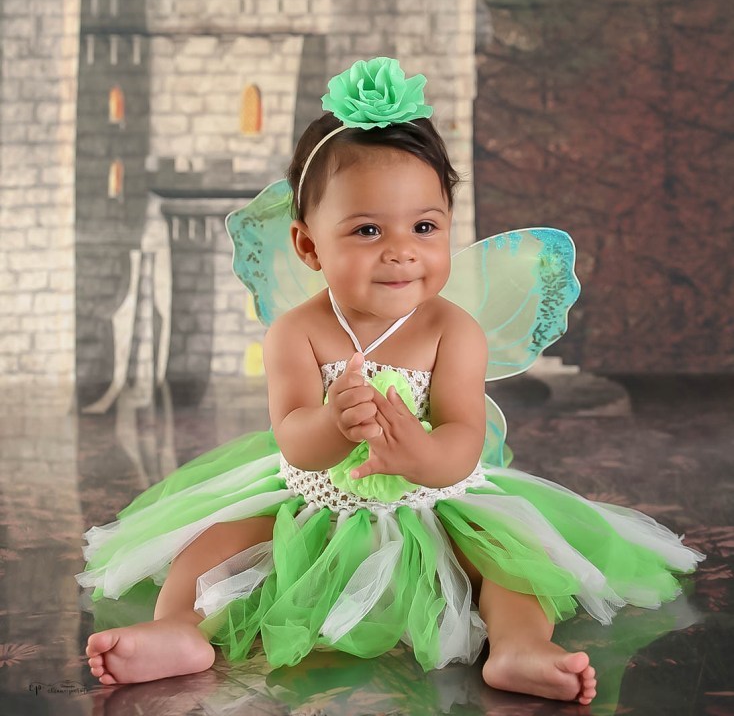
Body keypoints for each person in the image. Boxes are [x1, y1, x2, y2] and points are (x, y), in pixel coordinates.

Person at [79, 57, 703, 704]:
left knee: (510, 563)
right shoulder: (298, 332)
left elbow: (464, 435)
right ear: (309, 246)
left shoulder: (452, 330)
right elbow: (292, 437)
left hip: (437, 501)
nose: (401, 250)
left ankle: (518, 645)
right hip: (311, 499)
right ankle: (179, 629)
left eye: (424, 227)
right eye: (368, 230)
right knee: (213, 545)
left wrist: (421, 454)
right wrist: (331, 424)